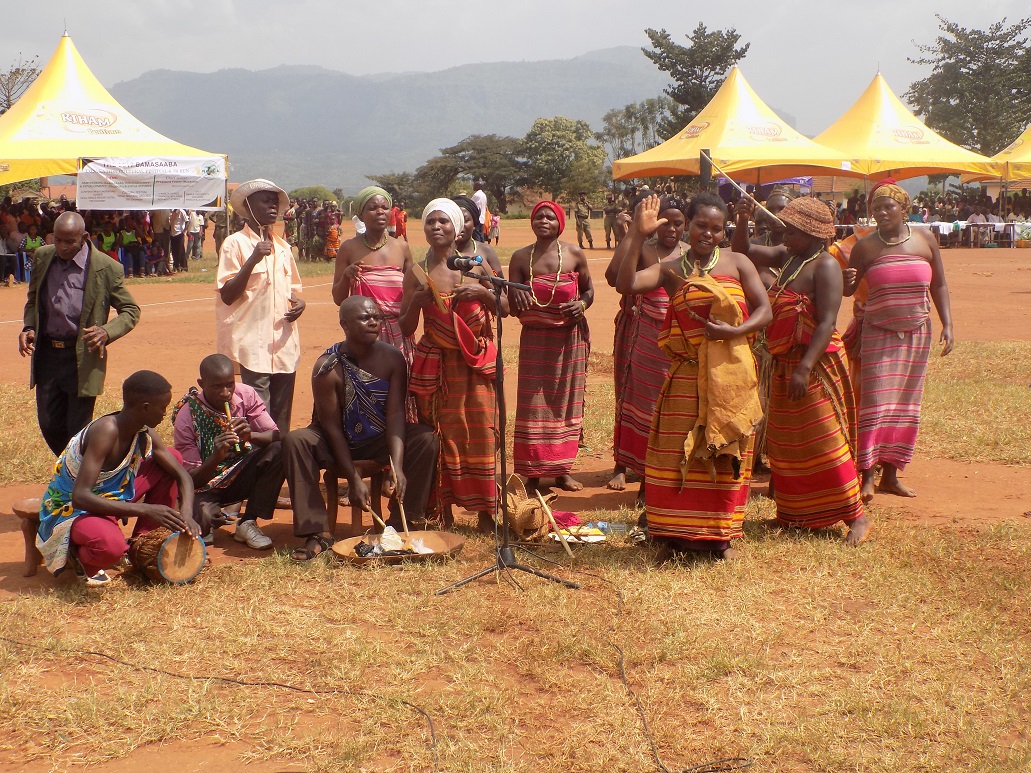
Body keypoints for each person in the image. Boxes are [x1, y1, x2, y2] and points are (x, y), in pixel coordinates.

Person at [616, 193, 771, 560]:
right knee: (675, 454)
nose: (709, 234)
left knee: (724, 452)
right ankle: (673, 536)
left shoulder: (737, 262)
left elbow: (764, 310)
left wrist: (735, 331)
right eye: (701, 226)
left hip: (730, 376)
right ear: (688, 225)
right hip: (686, 377)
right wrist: (637, 235)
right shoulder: (671, 268)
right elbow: (626, 284)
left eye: (717, 228)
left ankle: (719, 538)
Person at [732, 196, 870, 544]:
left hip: (814, 364)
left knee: (823, 437)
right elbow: (743, 250)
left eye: (792, 231)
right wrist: (743, 218)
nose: (785, 236)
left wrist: (805, 368)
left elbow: (826, 322)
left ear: (812, 235)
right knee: (787, 442)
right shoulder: (789, 256)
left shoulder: (825, 267)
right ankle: (795, 514)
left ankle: (856, 516)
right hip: (785, 362)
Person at [283, 296, 439, 560]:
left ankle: (402, 524)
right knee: (296, 441)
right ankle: (318, 532)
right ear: (344, 324)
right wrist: (353, 478)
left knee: (426, 439)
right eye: (365, 318)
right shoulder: (327, 367)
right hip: (336, 439)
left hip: (377, 437)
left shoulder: (393, 358)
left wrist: (397, 467)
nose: (374, 322)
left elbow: (396, 414)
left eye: (377, 317)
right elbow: (331, 428)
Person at [845, 179, 955, 503]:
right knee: (876, 404)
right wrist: (846, 280)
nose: (881, 212)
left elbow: (939, 285)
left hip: (917, 333)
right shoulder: (865, 247)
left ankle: (890, 476)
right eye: (875, 208)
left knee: (906, 406)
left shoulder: (925, 239)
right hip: (877, 332)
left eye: (887, 206)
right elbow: (848, 290)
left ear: (904, 209)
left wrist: (948, 324)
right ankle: (867, 476)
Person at [36, 370, 199, 587]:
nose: (164, 413)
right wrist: (145, 509)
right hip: (71, 510)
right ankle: (79, 556)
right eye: (163, 407)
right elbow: (80, 497)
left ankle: (141, 545)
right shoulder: (106, 431)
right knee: (111, 548)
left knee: (173, 458)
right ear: (145, 407)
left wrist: (186, 512)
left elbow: (182, 475)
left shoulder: (143, 430)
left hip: (111, 496)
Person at [401, 198, 500, 532]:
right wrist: (417, 302)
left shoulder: (476, 265)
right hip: (437, 369)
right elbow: (404, 327)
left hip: (476, 365)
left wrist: (482, 294)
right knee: (441, 436)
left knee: (482, 433)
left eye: (443, 221)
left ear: (456, 227)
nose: (436, 227)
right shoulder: (416, 272)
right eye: (430, 222)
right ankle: (442, 511)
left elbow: (504, 307)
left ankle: (486, 512)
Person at [19, 212, 141, 456]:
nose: (62, 247)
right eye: (58, 240)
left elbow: (131, 310)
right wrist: (29, 327)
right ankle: (73, 467)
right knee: (49, 423)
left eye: (69, 241)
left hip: (82, 357)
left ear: (84, 237)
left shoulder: (106, 268)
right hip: (48, 355)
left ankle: (78, 472)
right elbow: (33, 300)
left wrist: (106, 332)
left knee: (77, 427)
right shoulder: (43, 257)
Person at [509, 200, 593, 494]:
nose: (544, 221)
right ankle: (532, 473)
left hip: (569, 340)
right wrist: (515, 297)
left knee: (564, 403)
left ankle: (562, 470)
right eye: (539, 217)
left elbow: (589, 290)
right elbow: (513, 305)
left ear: (560, 224)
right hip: (535, 341)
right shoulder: (520, 258)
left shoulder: (574, 254)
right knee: (533, 405)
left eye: (550, 217)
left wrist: (582, 305)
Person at [605, 195, 683, 501]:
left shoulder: (690, 253)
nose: (671, 228)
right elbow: (613, 276)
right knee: (633, 398)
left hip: (679, 340)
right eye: (665, 222)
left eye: (678, 222)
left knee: (672, 405)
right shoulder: (645, 249)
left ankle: (662, 470)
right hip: (643, 334)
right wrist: (635, 233)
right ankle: (624, 463)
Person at [216, 179, 305, 432]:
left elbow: (292, 289)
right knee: (258, 418)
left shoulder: (283, 248)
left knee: (282, 418)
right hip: (252, 345)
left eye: (275, 202)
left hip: (284, 344)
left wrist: (300, 303)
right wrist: (253, 259)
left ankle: (279, 457)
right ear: (247, 207)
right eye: (265, 201)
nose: (272, 207)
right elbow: (227, 295)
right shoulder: (234, 244)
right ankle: (259, 457)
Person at [172, 354, 285, 550]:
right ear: (202, 384)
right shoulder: (187, 417)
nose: (226, 393)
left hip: (241, 473)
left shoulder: (246, 394)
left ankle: (248, 522)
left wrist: (250, 435)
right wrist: (216, 457)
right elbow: (191, 480)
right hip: (206, 486)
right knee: (202, 523)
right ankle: (210, 521)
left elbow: (275, 436)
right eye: (217, 387)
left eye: (229, 384)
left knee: (279, 450)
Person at [332, 186, 414, 365]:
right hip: (364, 335)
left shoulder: (402, 248)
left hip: (399, 334)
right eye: (373, 208)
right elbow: (338, 299)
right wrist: (346, 276)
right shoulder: (348, 248)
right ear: (361, 215)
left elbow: (413, 290)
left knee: (400, 379)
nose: (380, 212)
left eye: (385, 207)